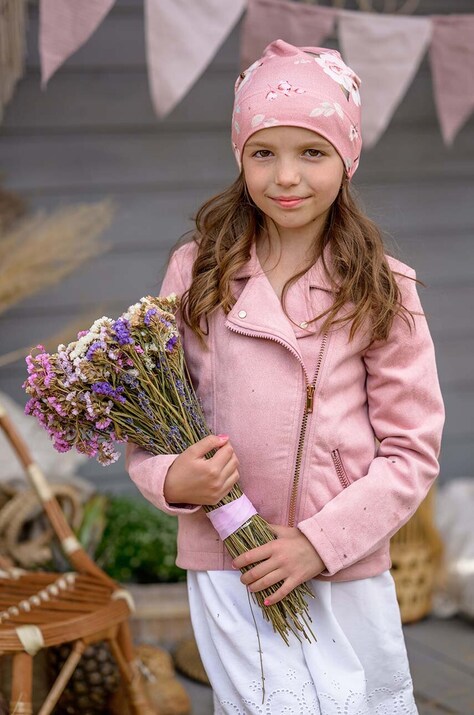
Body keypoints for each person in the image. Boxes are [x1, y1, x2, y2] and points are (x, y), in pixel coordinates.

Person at [126, 40, 445, 714]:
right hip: (231, 561)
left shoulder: (382, 287)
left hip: (342, 566)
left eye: (312, 152)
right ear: (240, 156)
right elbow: (151, 414)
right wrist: (172, 479)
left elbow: (412, 449)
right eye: (264, 152)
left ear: (347, 159)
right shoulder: (198, 271)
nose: (287, 176)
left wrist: (317, 545)